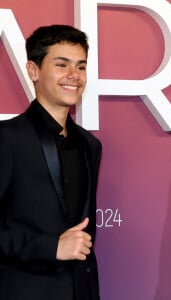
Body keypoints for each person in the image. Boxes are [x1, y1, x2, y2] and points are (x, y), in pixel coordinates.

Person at [0, 25, 101, 300]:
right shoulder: (7, 139)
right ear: (34, 71)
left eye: (81, 67)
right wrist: (51, 247)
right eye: (62, 64)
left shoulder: (90, 146)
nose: (74, 76)